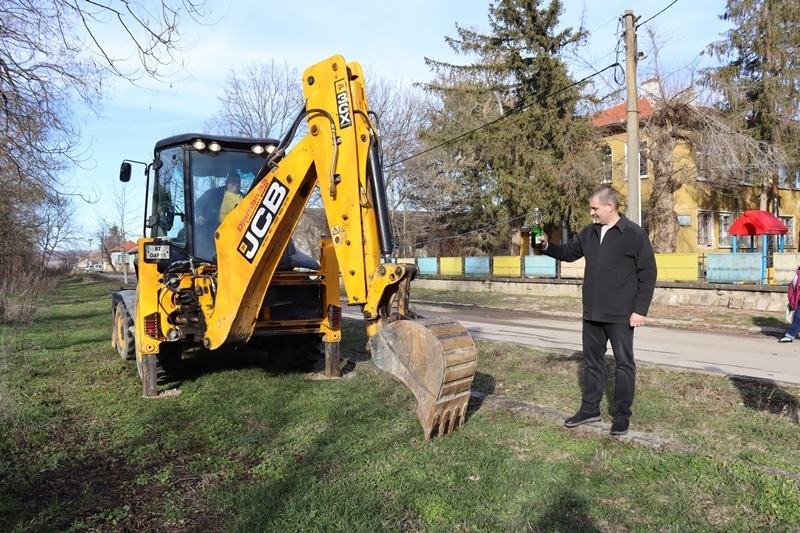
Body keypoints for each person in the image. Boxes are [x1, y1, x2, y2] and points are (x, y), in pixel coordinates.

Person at [537, 186, 657, 436]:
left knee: (625, 364)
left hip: (622, 314)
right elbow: (568, 253)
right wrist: (547, 246)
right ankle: (590, 408)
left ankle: (622, 415)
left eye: (595, 208)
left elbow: (648, 273)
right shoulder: (588, 233)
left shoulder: (634, 234)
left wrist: (640, 310)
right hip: (592, 312)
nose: (592, 212)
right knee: (592, 362)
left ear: (609, 206)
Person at [195, 173, 244, 259]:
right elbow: (199, 204)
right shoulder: (214, 193)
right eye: (233, 181)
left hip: (235, 232)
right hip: (214, 230)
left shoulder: (245, 198)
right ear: (226, 183)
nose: (236, 183)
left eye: (238, 182)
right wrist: (200, 215)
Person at [779, 267, 800, 342]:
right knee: (797, 318)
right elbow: (792, 286)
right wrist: (791, 298)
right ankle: (789, 336)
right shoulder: (798, 273)